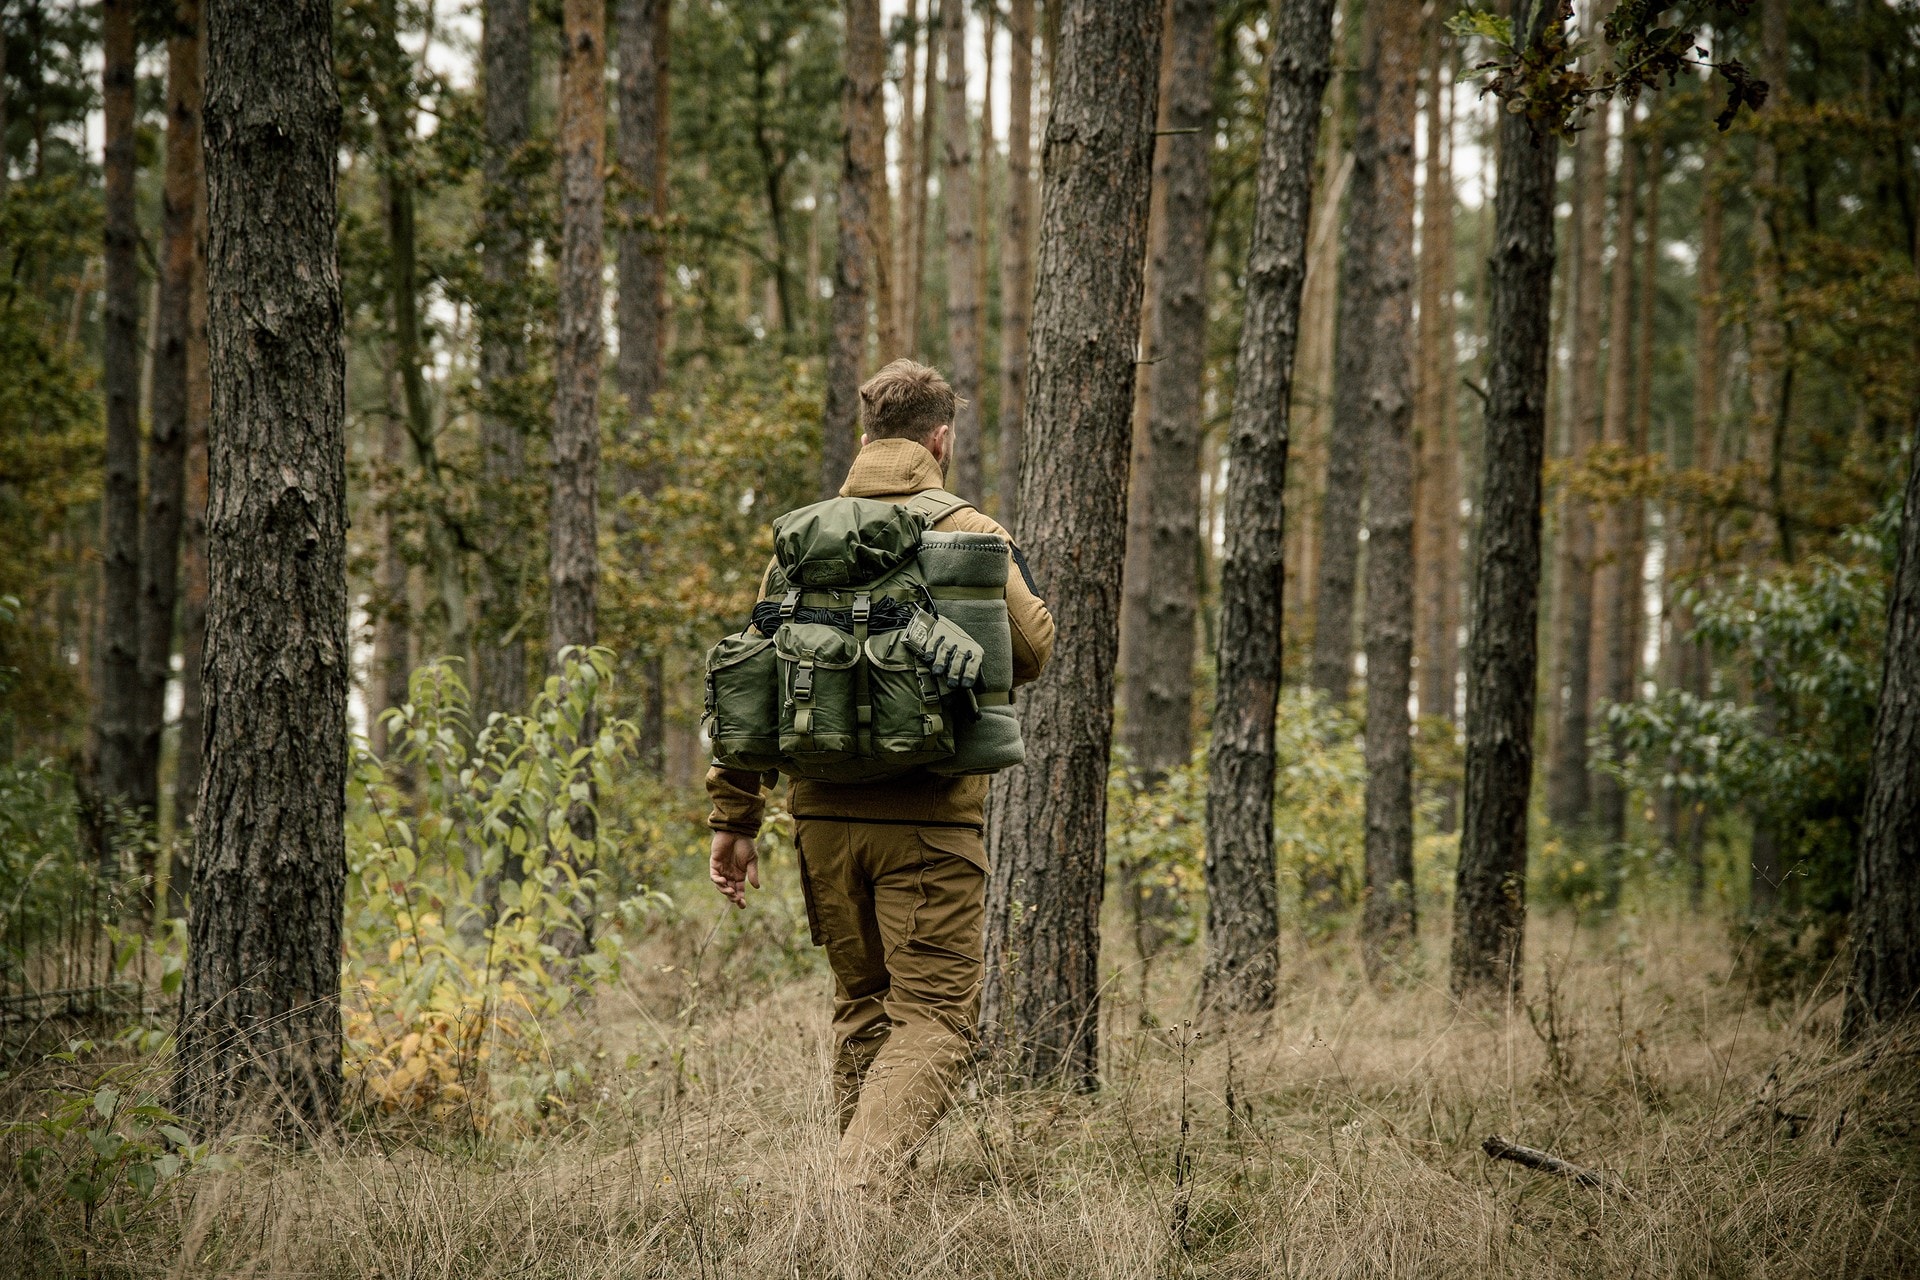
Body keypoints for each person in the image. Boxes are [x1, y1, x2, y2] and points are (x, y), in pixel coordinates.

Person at [706, 359, 1054, 1190]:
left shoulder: (801, 538)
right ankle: (852, 1191)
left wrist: (735, 819)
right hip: (930, 824)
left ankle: (860, 1224)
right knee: (935, 1019)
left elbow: (754, 677)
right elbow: (1033, 650)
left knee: (864, 1008)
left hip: (822, 821)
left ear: (865, 438)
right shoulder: (969, 529)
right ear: (940, 439)